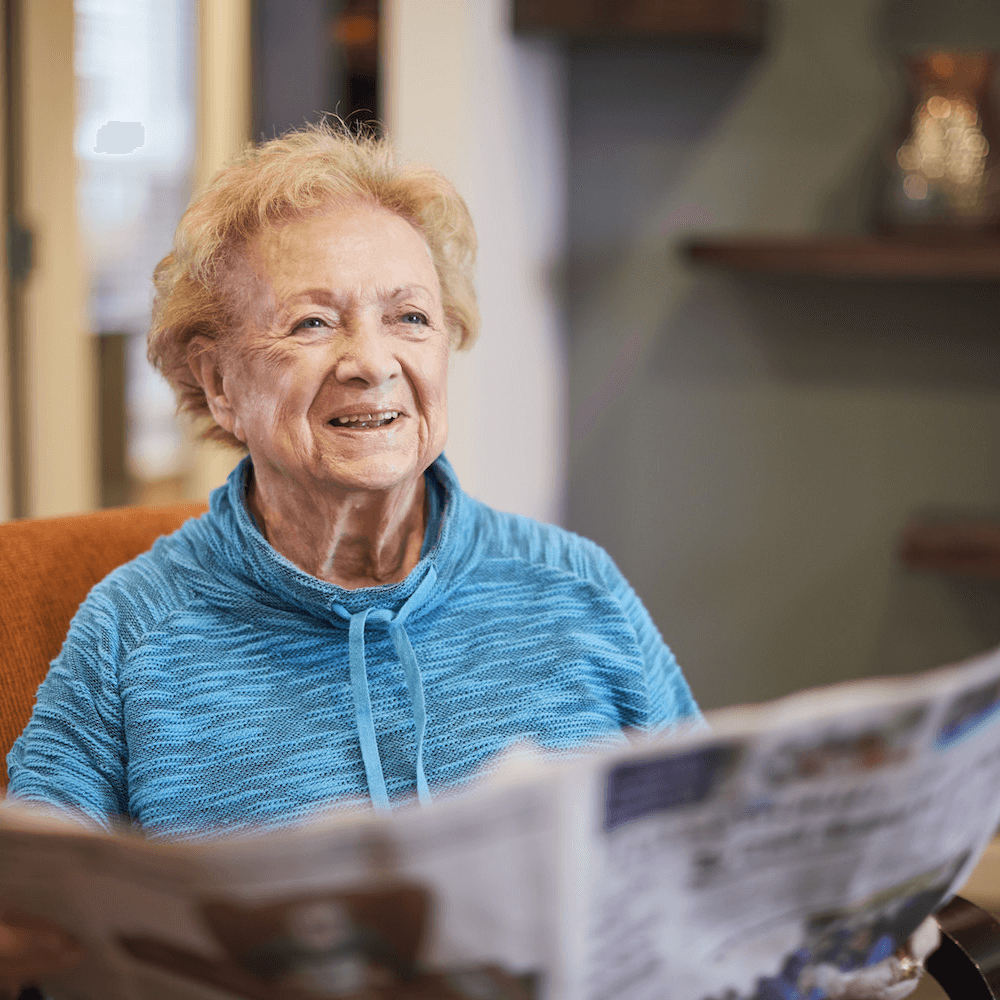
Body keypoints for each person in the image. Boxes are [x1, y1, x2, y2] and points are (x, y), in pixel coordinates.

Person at [0, 125, 936, 1000]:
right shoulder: (132, 626)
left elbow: (716, 875)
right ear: (217, 382)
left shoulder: (576, 587)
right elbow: (34, 889)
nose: (373, 363)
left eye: (409, 316)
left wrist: (849, 935)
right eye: (313, 323)